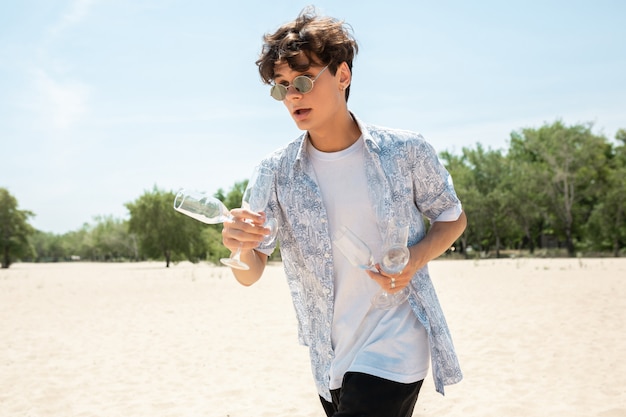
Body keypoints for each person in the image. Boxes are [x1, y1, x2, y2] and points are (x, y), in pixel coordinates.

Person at [221, 7, 467, 417]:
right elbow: (251, 272)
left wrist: (415, 259)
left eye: (302, 80)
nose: (293, 96)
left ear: (342, 75)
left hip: (397, 341)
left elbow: (451, 216)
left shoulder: (405, 151)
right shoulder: (273, 172)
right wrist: (239, 248)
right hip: (329, 354)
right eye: (281, 88)